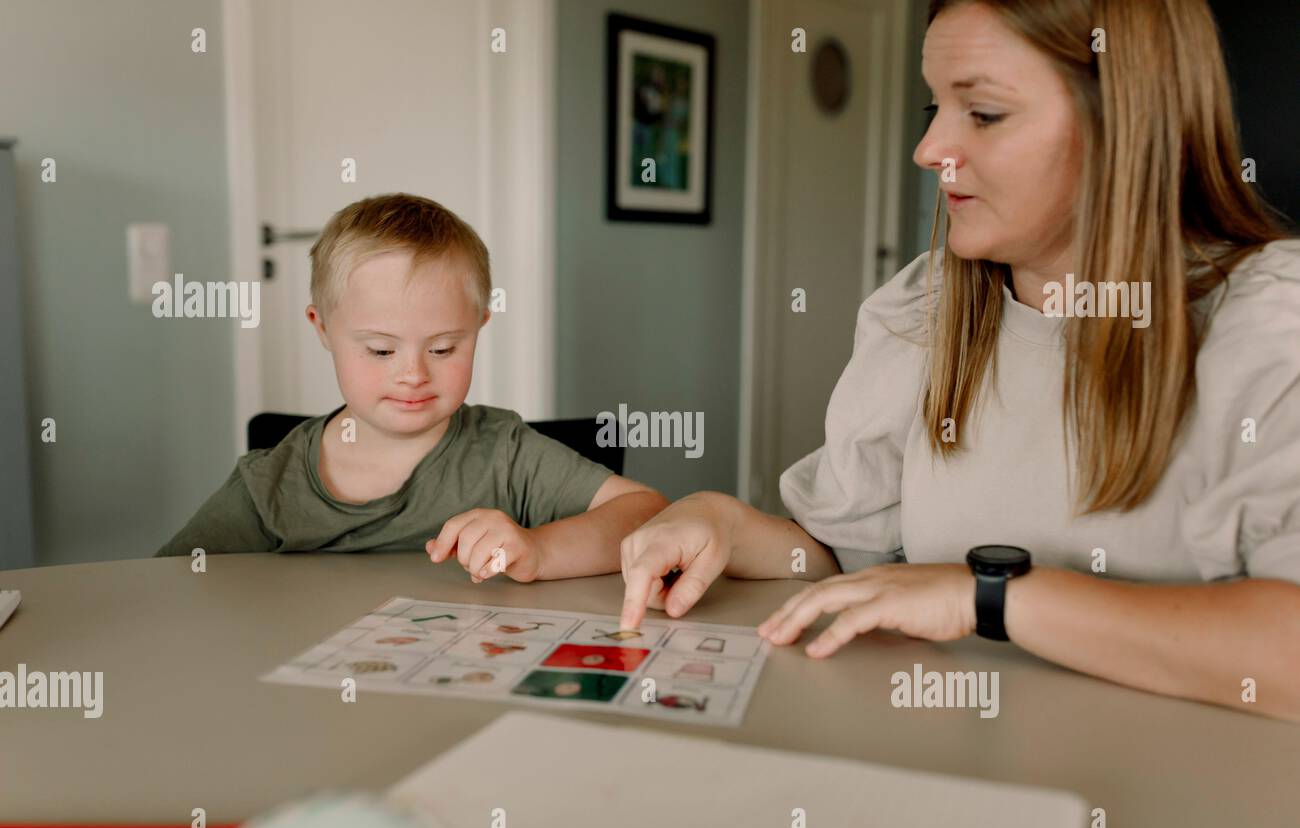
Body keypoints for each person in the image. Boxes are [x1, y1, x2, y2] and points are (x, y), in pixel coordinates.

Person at [619, 0, 1300, 719]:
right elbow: (839, 552)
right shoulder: (923, 308)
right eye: (934, 108)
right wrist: (722, 520)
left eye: (983, 113)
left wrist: (989, 596)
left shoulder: (1267, 322)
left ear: (1124, 123)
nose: (928, 149)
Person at [158, 193, 667, 582]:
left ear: (480, 326)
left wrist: (539, 549)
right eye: (381, 350)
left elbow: (646, 514)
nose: (414, 374)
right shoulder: (271, 486)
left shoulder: (504, 454)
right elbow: (168, 585)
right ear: (322, 329)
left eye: (443, 348)